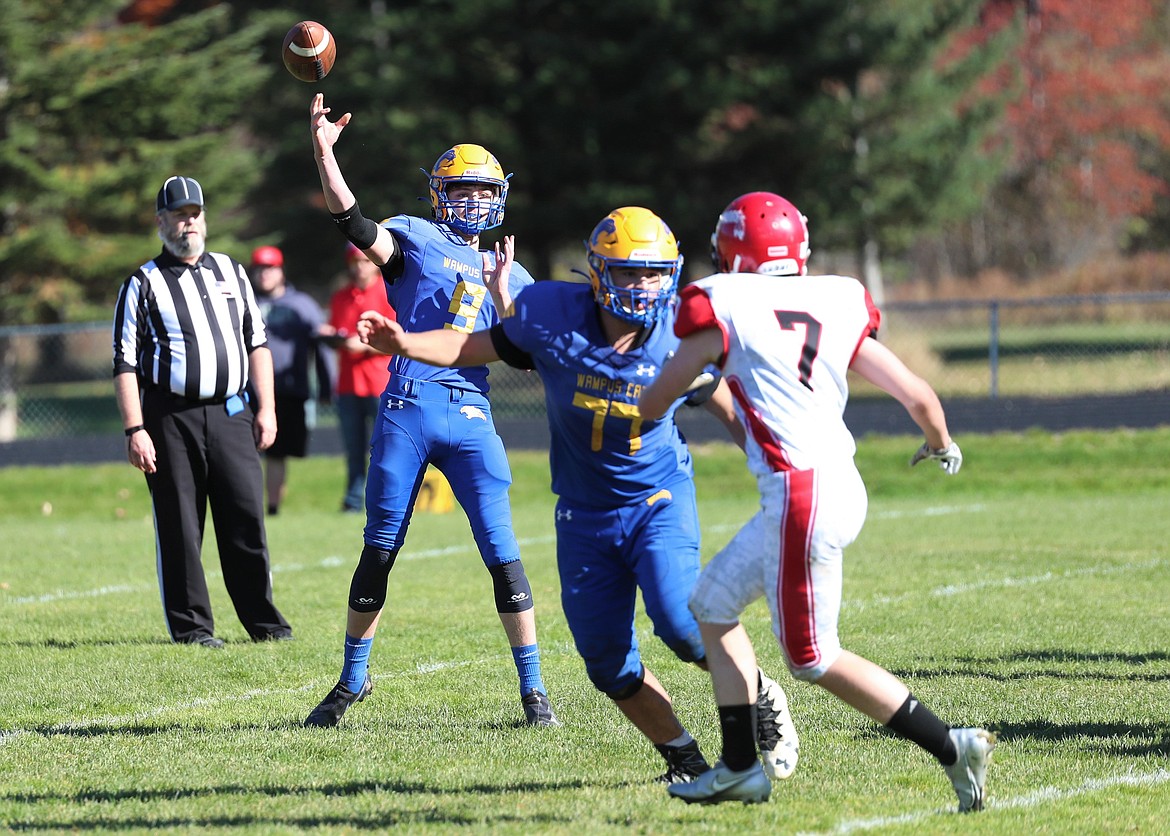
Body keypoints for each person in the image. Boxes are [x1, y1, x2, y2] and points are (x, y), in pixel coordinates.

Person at [356, 206, 800, 784]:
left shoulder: (678, 328)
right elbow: (468, 347)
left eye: (654, 273)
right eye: (627, 272)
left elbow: (718, 396)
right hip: (583, 507)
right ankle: (685, 759)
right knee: (607, 662)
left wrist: (768, 463)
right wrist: (406, 341)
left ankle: (760, 694)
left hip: (655, 496)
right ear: (597, 272)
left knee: (679, 619)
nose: (642, 287)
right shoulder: (552, 314)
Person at [639, 191, 995, 809]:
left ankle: (951, 745)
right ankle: (740, 768)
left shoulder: (724, 300)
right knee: (713, 605)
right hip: (837, 484)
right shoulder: (834, 298)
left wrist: (654, 401)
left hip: (799, 492)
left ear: (729, 247)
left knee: (811, 657)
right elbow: (918, 397)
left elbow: (656, 397)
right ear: (798, 248)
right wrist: (940, 444)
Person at [302, 93, 556, 728]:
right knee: (379, 544)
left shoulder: (510, 270)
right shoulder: (417, 238)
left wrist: (506, 301)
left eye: (483, 190)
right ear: (440, 196)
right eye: (461, 190)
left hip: (471, 414)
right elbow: (356, 226)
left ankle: (534, 692)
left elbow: (526, 355)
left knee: (502, 549)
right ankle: (352, 679)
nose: (473, 201)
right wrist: (325, 154)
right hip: (408, 405)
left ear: (499, 197)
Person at [112, 175, 293, 648]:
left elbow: (258, 343)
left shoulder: (232, 272)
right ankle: (193, 629)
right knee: (180, 525)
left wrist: (267, 408)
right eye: (178, 214)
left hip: (232, 413)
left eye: (195, 213)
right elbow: (124, 361)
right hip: (169, 418)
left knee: (246, 517)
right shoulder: (143, 282)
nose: (188, 221)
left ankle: (265, 624)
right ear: (161, 222)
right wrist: (135, 428)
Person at [249, 244, 332, 516]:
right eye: (260, 268)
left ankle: (272, 509)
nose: (265, 274)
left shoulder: (302, 305)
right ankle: (246, 507)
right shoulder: (243, 301)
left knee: (277, 452)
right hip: (247, 391)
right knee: (244, 453)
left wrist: (325, 384)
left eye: (270, 268)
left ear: (281, 271)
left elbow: (321, 346)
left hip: (288, 389)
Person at [325, 243, 395, 513]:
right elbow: (338, 330)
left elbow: (396, 337)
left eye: (366, 261)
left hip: (379, 383)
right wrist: (332, 337)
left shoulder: (388, 293)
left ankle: (386, 502)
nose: (360, 267)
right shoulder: (342, 296)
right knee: (354, 449)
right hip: (348, 383)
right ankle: (354, 501)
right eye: (355, 262)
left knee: (386, 447)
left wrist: (363, 345)